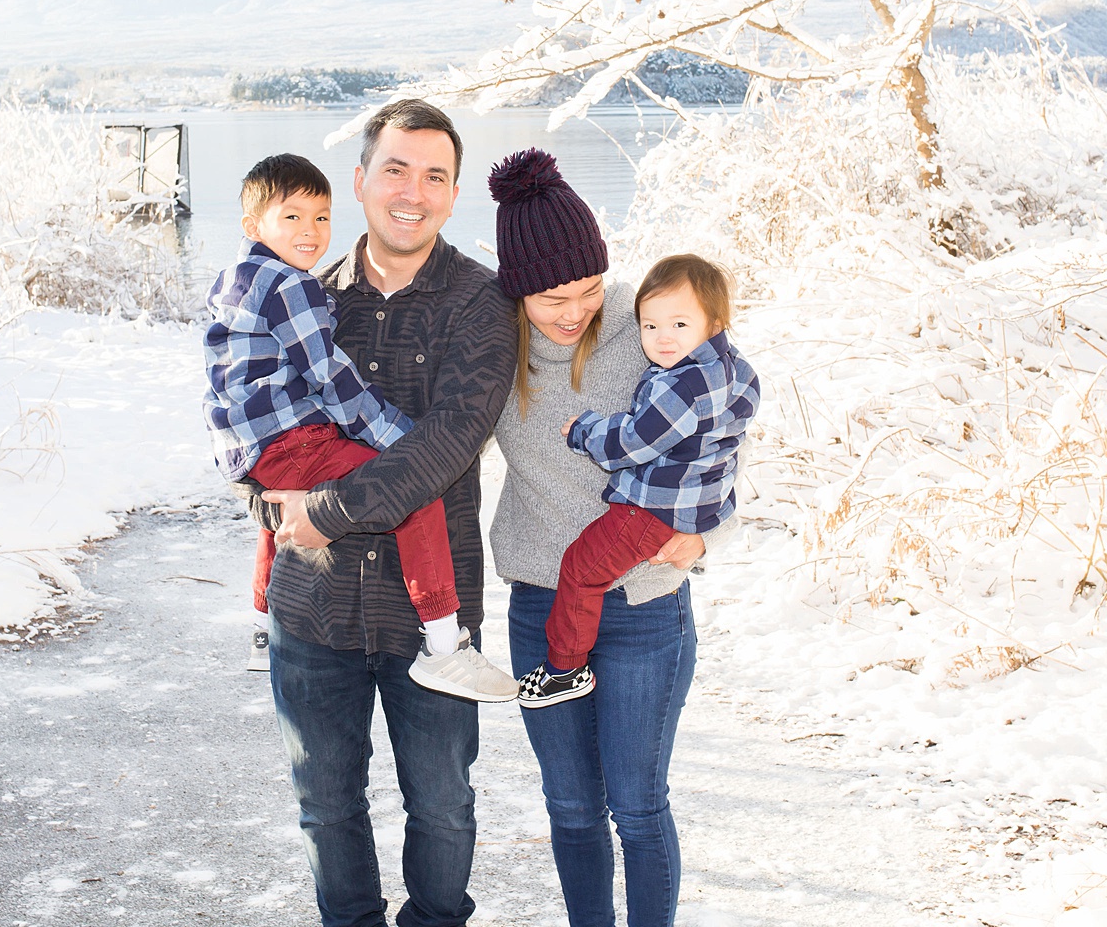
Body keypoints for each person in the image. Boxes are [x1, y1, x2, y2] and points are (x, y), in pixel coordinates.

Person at [243, 100, 517, 927]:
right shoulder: (300, 293)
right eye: (395, 169)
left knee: (443, 811)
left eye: (434, 176)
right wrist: (265, 494)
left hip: (429, 617)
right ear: (360, 181)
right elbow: (251, 414)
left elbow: (449, 443)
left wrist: (324, 509)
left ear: (454, 192)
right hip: (313, 607)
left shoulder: (481, 303)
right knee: (327, 812)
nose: (413, 191)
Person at [487, 147, 730, 927]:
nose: (574, 310)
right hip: (539, 606)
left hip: (643, 608)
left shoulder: (644, 319)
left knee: (636, 805)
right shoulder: (494, 351)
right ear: (515, 286)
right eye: (551, 296)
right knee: (572, 807)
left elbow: (723, 424)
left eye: (588, 288)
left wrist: (706, 532)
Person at [202, 151, 515, 700]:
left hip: (254, 447)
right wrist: (398, 439)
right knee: (413, 493)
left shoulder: (233, 281)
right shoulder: (296, 287)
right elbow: (330, 378)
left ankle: (260, 619)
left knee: (285, 500)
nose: (311, 231)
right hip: (294, 452)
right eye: (292, 217)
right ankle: (444, 644)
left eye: (320, 218)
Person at [516, 253, 759, 707]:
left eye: (679, 325)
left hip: (650, 510)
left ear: (714, 321)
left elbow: (628, 445)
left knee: (581, 569)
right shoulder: (739, 372)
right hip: (691, 507)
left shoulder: (680, 386)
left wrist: (583, 430)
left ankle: (565, 668)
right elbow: (726, 444)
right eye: (650, 327)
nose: (662, 338)